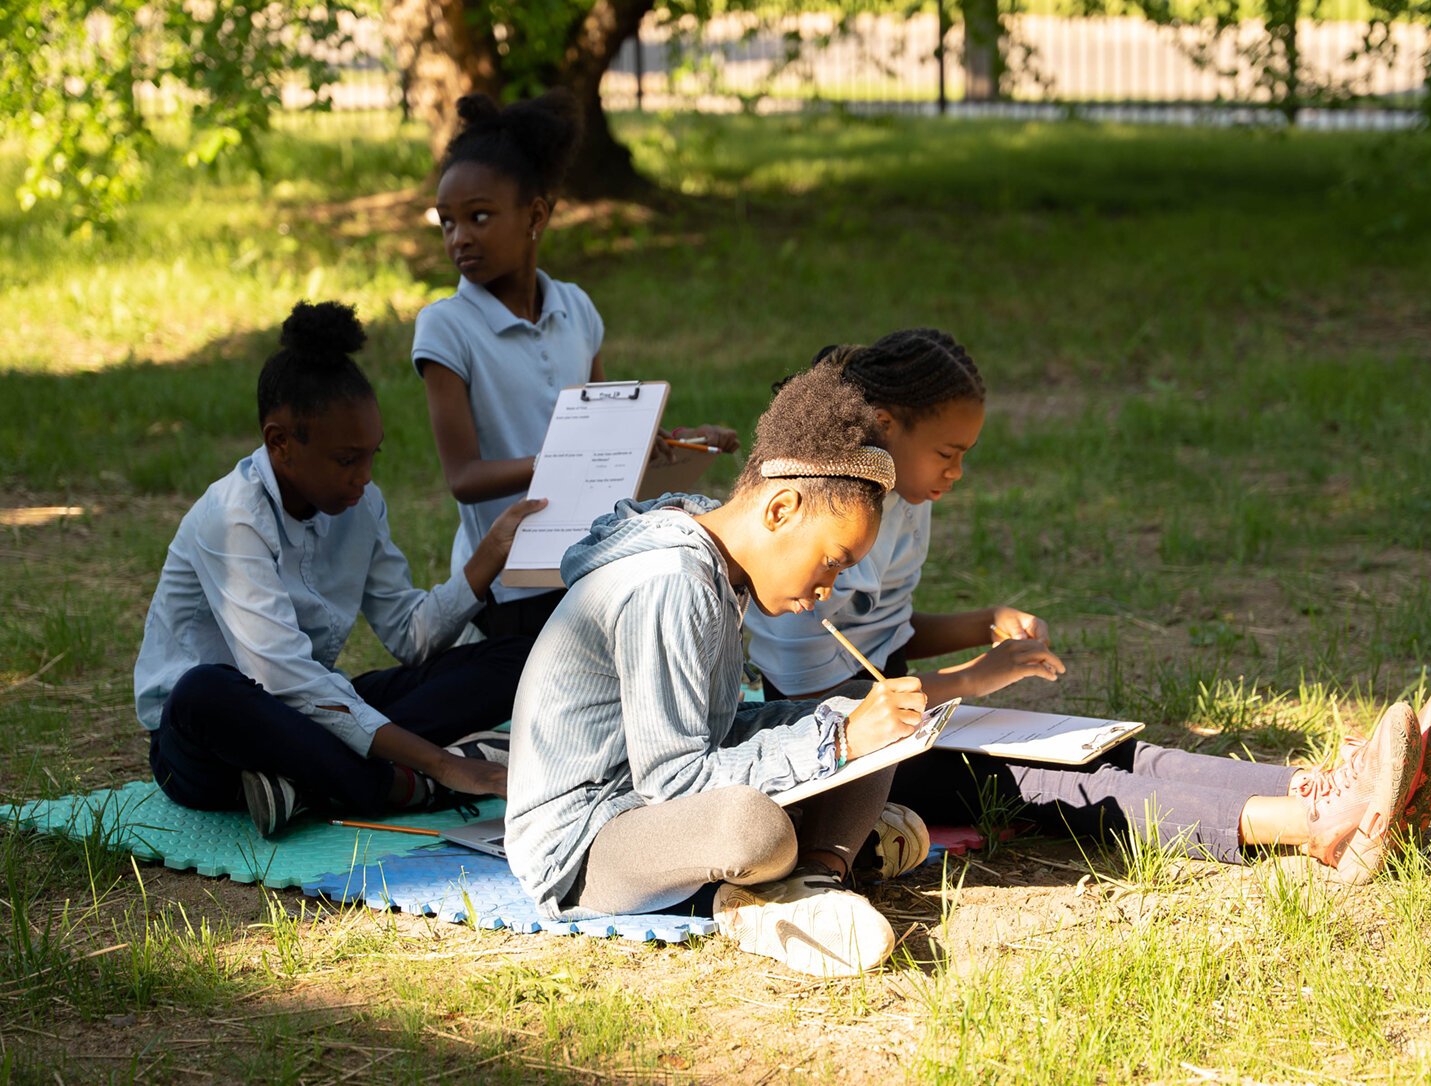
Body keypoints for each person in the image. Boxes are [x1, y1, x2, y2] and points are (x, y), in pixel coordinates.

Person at [746, 329, 1431, 883]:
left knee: (1113, 751)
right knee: (1064, 784)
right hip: (857, 756)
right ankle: (1319, 827)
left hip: (902, 717)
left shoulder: (895, 507)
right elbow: (821, 700)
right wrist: (971, 678)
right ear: (885, 424)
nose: (958, 472)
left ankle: (1331, 793)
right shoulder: (818, 535)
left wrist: (982, 626)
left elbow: (882, 636)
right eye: (947, 453)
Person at [503, 364, 929, 977]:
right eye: (832, 562)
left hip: (658, 805)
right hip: (587, 845)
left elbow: (713, 731)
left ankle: (813, 877)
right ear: (781, 510)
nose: (829, 589)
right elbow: (673, 782)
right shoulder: (670, 582)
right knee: (754, 829)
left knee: (857, 702)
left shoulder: (721, 568)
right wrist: (836, 744)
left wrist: (847, 725)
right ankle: (795, 867)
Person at [134, 301, 543, 838]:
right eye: (347, 460)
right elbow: (283, 680)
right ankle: (402, 784)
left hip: (310, 715)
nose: (364, 476)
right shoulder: (231, 518)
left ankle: (302, 786)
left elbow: (411, 636)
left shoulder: (362, 505)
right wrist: (445, 764)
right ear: (280, 444)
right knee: (202, 691)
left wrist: (489, 554)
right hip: (210, 743)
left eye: (373, 456)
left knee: (518, 657)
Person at [413, 90, 738, 639]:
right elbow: (463, 478)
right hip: (511, 585)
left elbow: (607, 435)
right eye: (447, 222)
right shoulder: (446, 327)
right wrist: (563, 460)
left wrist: (677, 444)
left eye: (479, 217)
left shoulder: (576, 307)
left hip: (592, 558)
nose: (459, 237)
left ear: (536, 215)